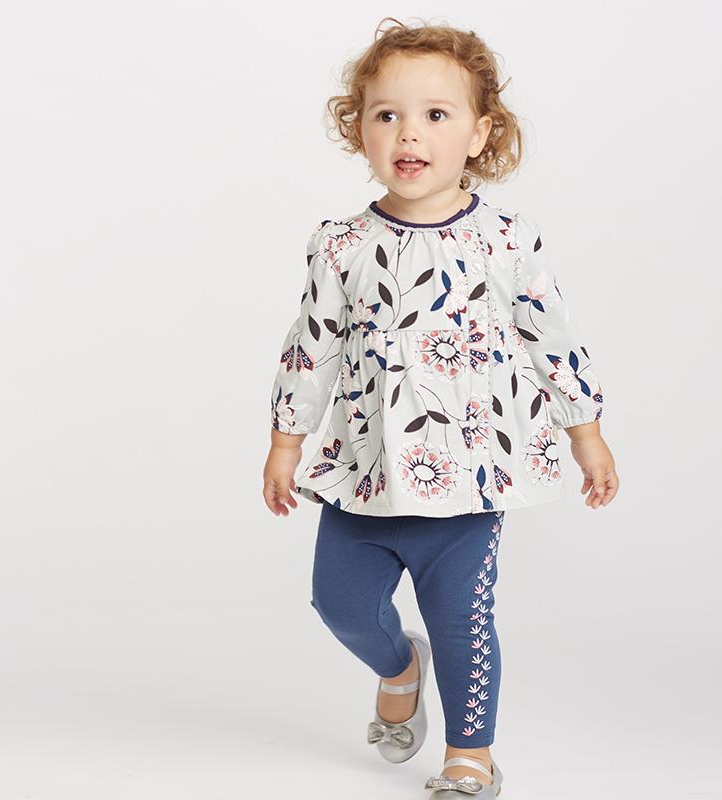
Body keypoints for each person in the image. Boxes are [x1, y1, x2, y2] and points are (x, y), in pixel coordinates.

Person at [262, 16, 619, 798]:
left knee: (463, 620)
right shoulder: (341, 245)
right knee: (339, 605)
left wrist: (585, 432)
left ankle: (470, 755)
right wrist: (287, 442)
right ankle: (401, 667)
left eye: (435, 114)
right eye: (386, 114)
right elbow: (311, 346)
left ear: (480, 132)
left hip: (469, 480)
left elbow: (552, 336)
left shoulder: (506, 240)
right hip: (365, 474)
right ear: (359, 129)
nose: (409, 133)